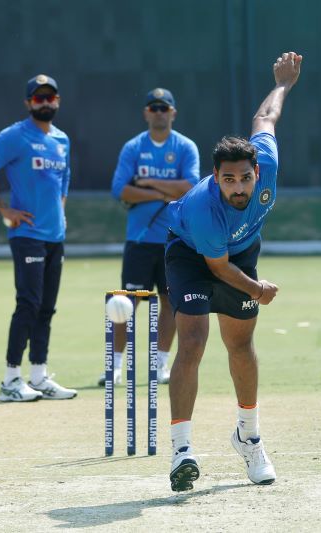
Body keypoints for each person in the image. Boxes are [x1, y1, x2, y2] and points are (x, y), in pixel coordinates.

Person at [165, 51, 302, 492]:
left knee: (240, 345)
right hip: (193, 254)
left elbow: (265, 118)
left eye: (245, 178)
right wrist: (258, 289)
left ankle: (249, 437)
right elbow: (217, 267)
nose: (238, 188)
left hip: (239, 254)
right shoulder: (204, 209)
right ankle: (181, 450)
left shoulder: (267, 162)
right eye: (228, 180)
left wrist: (282, 84)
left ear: (257, 170)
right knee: (192, 341)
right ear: (216, 176)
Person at [0, 74, 77, 401]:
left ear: (57, 101)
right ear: (28, 103)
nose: (45, 102)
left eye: (50, 97)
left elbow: (64, 177)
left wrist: (61, 211)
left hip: (54, 236)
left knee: (47, 308)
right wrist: (3, 208)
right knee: (28, 303)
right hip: (27, 234)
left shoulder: (62, 139)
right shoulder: (15, 135)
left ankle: (38, 375)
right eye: (38, 98)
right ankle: (10, 380)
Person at [100, 88, 200, 387]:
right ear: (146, 112)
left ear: (173, 113)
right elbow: (120, 190)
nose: (159, 113)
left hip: (175, 240)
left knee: (169, 302)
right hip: (140, 241)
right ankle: (115, 367)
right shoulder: (133, 147)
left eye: (164, 108)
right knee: (126, 303)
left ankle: (160, 365)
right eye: (153, 108)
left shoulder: (185, 147)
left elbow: (190, 187)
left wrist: (147, 183)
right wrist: (163, 193)